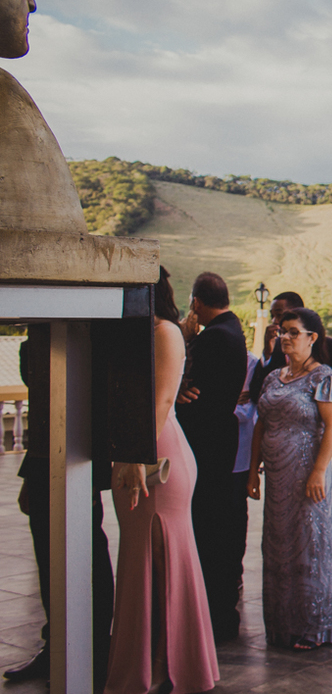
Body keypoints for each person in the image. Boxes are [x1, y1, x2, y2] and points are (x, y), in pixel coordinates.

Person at [106, 267, 219, 694]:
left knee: (160, 555)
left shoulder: (164, 330)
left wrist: (136, 454)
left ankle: (165, 669)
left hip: (158, 457)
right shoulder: (127, 333)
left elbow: (164, 398)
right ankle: (151, 666)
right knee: (140, 558)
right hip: (133, 452)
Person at [6, 325, 115, 686]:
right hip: (41, 459)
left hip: (79, 455)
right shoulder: (39, 336)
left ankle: (96, 649)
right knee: (48, 561)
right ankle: (56, 646)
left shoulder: (89, 335)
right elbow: (39, 398)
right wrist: (30, 473)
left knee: (88, 555)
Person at [247, 308, 332, 649]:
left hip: (307, 473)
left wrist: (318, 470)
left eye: (292, 332)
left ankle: (313, 626)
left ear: (312, 338)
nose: (284, 337)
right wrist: (253, 469)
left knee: (309, 545)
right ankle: (282, 624)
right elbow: (261, 423)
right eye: (281, 331)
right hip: (276, 477)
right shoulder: (274, 377)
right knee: (278, 545)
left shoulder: (323, 377)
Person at [175, 272, 248, 642]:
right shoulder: (232, 330)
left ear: (197, 303)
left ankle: (213, 615)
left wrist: (185, 343)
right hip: (221, 440)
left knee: (209, 528)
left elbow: (188, 386)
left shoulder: (213, 337)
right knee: (217, 526)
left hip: (207, 443)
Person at [249, 291, 332, 425]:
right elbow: (256, 394)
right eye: (272, 316)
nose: (275, 321)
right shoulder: (276, 348)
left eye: (279, 314)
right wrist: (267, 354)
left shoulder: (328, 347)